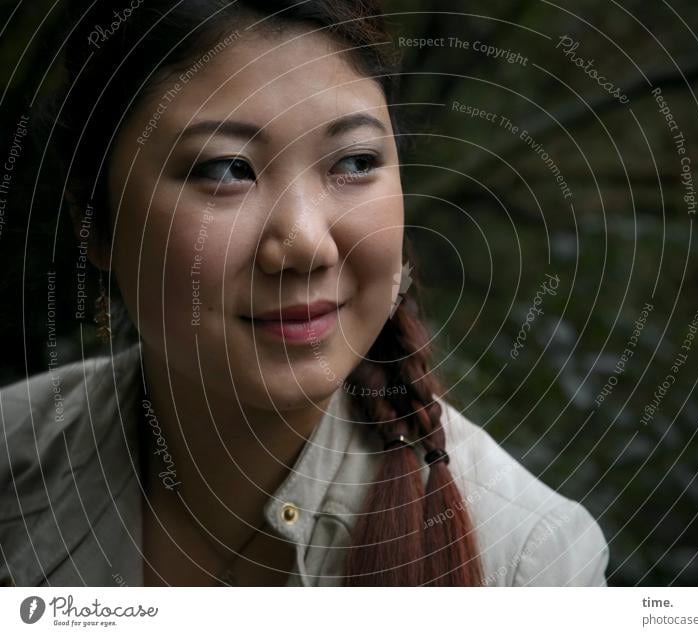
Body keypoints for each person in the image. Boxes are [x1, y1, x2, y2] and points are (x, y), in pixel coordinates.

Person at [0, 0, 608, 587]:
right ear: (94, 218)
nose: (306, 244)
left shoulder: (529, 565)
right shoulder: (13, 461)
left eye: (354, 162)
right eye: (226, 169)